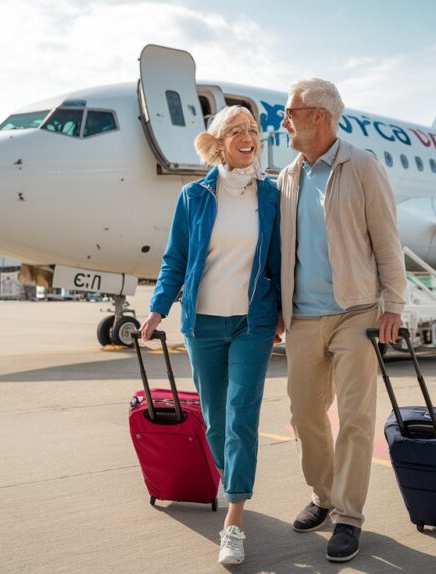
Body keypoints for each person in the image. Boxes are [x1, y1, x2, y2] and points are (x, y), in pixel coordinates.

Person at [140, 105, 280, 566]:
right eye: (237, 131)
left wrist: (282, 313)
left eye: (254, 131)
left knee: (241, 418)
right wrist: (159, 308)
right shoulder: (194, 196)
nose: (248, 137)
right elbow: (175, 259)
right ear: (219, 143)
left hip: (251, 325)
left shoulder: (272, 196)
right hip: (202, 325)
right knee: (216, 424)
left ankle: (234, 520)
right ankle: (232, 483)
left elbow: (281, 261)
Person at [277, 78, 406, 562]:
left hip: (357, 312)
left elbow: (387, 241)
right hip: (303, 318)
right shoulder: (288, 176)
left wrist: (393, 303)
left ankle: (348, 516)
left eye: (291, 112)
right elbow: (283, 251)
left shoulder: (364, 166)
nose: (284, 120)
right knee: (304, 415)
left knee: (355, 418)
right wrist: (278, 310)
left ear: (319, 117)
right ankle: (323, 496)